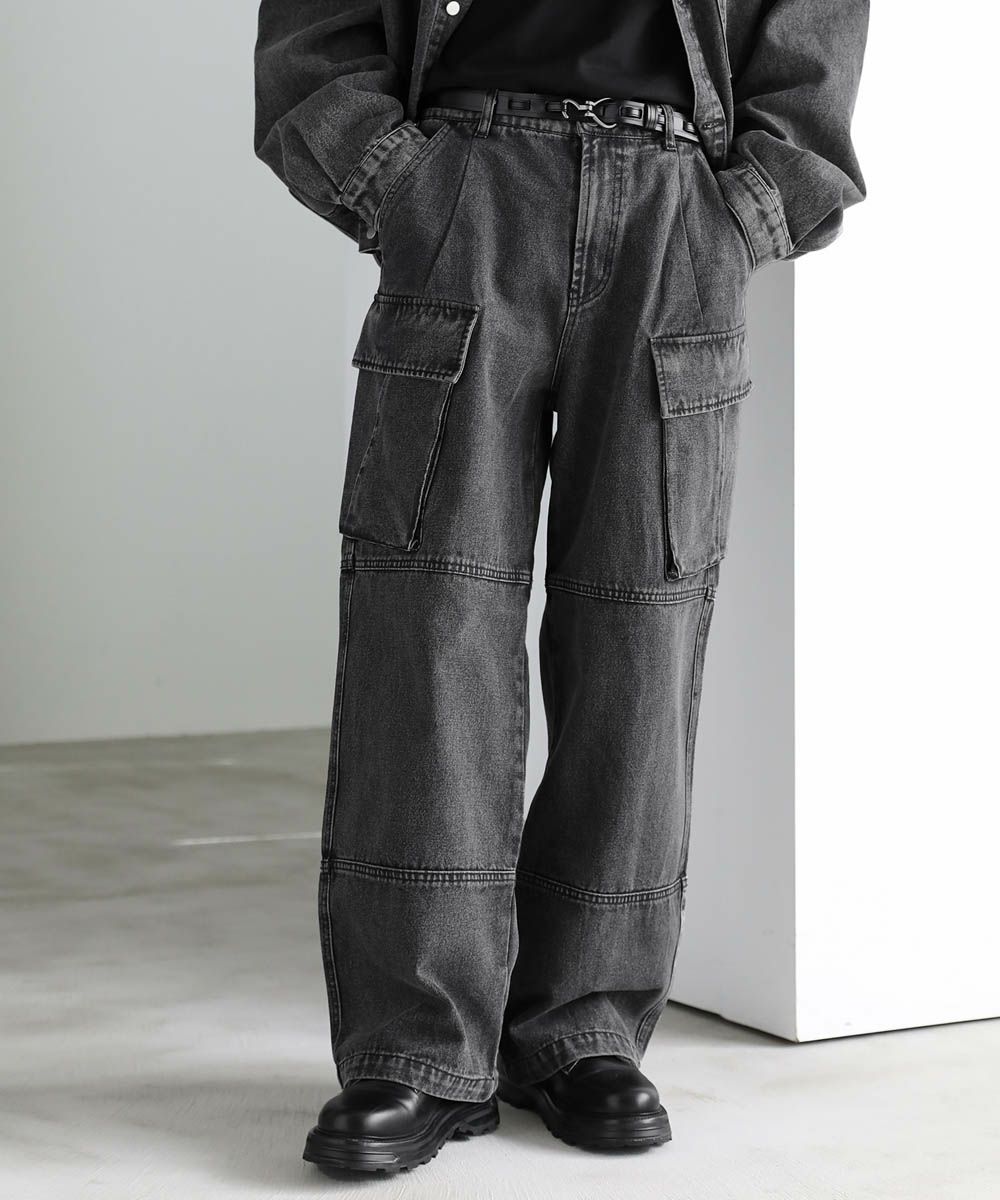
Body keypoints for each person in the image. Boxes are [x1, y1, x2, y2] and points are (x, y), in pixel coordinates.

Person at [254, 0, 868, 1175]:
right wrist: (403, 186)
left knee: (642, 632)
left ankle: (583, 1027)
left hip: (673, 207)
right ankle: (417, 1046)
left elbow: (812, 41)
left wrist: (740, 209)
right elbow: (308, 47)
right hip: (466, 192)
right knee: (428, 629)